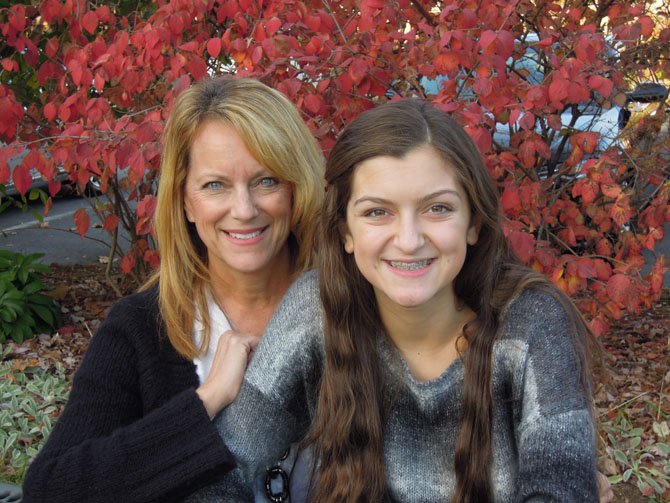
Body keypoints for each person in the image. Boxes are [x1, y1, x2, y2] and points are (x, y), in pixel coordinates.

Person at [192, 98, 602, 502]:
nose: (408, 240)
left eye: (437, 208)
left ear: (473, 223)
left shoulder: (530, 325)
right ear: (346, 232)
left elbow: (562, 487)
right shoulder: (318, 310)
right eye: (377, 213)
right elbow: (225, 466)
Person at [21, 76, 325, 503]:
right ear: (185, 201)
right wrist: (205, 403)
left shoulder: (345, 307)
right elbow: (51, 489)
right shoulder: (140, 330)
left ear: (297, 188)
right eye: (215, 185)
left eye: (267, 180)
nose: (244, 210)